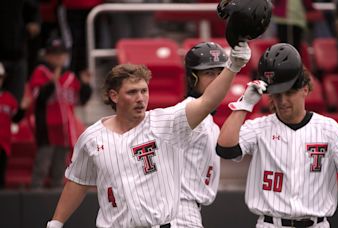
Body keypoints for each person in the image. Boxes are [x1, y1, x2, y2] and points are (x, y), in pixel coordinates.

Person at [45, 41, 250, 228]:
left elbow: (207, 101)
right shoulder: (92, 137)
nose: (140, 98)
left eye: (144, 91)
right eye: (132, 92)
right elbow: (78, 181)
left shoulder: (165, 123)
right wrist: (56, 221)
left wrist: (233, 66)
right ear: (113, 96)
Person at [216, 43, 338, 228]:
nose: (282, 101)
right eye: (277, 94)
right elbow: (225, 149)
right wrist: (244, 105)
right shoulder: (260, 126)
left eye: (289, 93)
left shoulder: (328, 128)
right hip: (271, 223)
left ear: (305, 89)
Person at [169, 42, 228, 227]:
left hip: (188, 209)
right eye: (209, 73)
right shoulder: (185, 112)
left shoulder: (210, 122)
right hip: (178, 210)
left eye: (220, 73)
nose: (217, 80)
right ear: (192, 78)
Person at [29, 37, 92, 189]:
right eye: (54, 54)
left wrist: (85, 85)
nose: (58, 57)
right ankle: (34, 203)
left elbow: (81, 100)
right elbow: (38, 98)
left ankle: (55, 207)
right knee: (42, 168)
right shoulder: (40, 72)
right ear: (46, 55)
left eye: (61, 54)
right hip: (47, 129)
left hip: (64, 131)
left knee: (60, 171)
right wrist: (52, 82)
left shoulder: (70, 77)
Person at [0, 62, 31, 189]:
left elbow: (16, 119)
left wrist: (22, 109)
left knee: (1, 177)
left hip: (3, 144)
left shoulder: (9, 98)